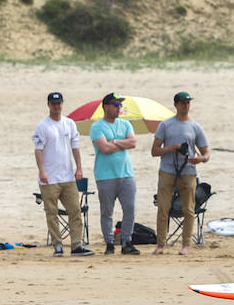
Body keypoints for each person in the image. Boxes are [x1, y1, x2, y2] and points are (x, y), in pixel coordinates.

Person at [33, 91, 93, 257]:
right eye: (53, 104)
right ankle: (57, 246)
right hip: (50, 178)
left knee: (75, 211)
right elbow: (38, 151)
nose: (57, 106)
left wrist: (79, 168)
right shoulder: (43, 126)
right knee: (51, 213)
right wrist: (42, 171)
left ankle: (76, 245)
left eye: (59, 103)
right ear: (49, 105)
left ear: (62, 103)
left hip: (67, 177)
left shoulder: (69, 123)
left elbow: (75, 147)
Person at [150, 91, 210, 255]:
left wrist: (200, 159)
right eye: (183, 103)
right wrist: (171, 148)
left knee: (189, 210)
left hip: (188, 171)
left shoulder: (196, 127)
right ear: (176, 105)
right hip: (167, 171)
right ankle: (161, 244)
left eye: (188, 103)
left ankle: (186, 245)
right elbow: (154, 151)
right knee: (163, 208)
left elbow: (206, 153)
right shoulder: (165, 125)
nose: (186, 105)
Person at [89, 92, 139, 255]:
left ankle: (127, 242)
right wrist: (120, 144)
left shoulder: (125, 125)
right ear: (106, 107)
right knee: (107, 211)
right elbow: (104, 148)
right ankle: (109, 243)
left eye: (120, 105)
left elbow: (133, 142)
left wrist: (115, 142)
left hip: (126, 173)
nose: (119, 108)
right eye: (116, 105)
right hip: (105, 175)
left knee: (130, 209)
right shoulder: (97, 126)